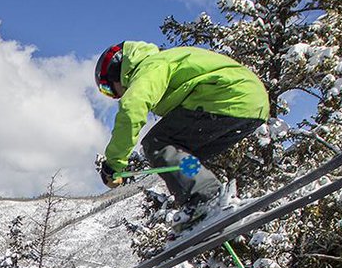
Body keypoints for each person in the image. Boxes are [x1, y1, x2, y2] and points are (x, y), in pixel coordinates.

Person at [95, 41, 270, 212]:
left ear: (115, 72)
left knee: (156, 143)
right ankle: (213, 208)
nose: (115, 95)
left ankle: (206, 201)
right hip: (253, 107)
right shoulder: (166, 61)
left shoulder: (151, 65)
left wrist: (113, 165)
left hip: (228, 96)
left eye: (107, 89)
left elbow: (132, 108)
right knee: (182, 157)